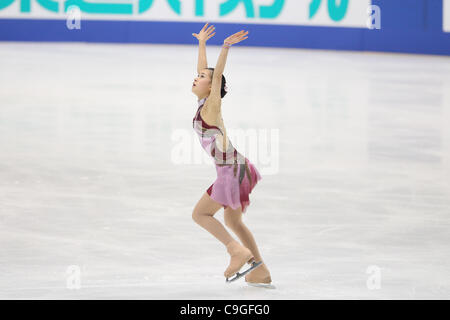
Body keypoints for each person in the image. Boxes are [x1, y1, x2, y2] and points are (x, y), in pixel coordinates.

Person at [191, 23, 272, 286]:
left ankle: (234, 250)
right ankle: (260, 271)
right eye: (198, 75)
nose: (196, 77)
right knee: (233, 221)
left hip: (231, 172)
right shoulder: (203, 103)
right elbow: (205, 71)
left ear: (212, 86)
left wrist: (224, 47)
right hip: (239, 168)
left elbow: (215, 76)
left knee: (201, 215)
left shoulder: (212, 105)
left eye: (202, 77)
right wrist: (202, 44)